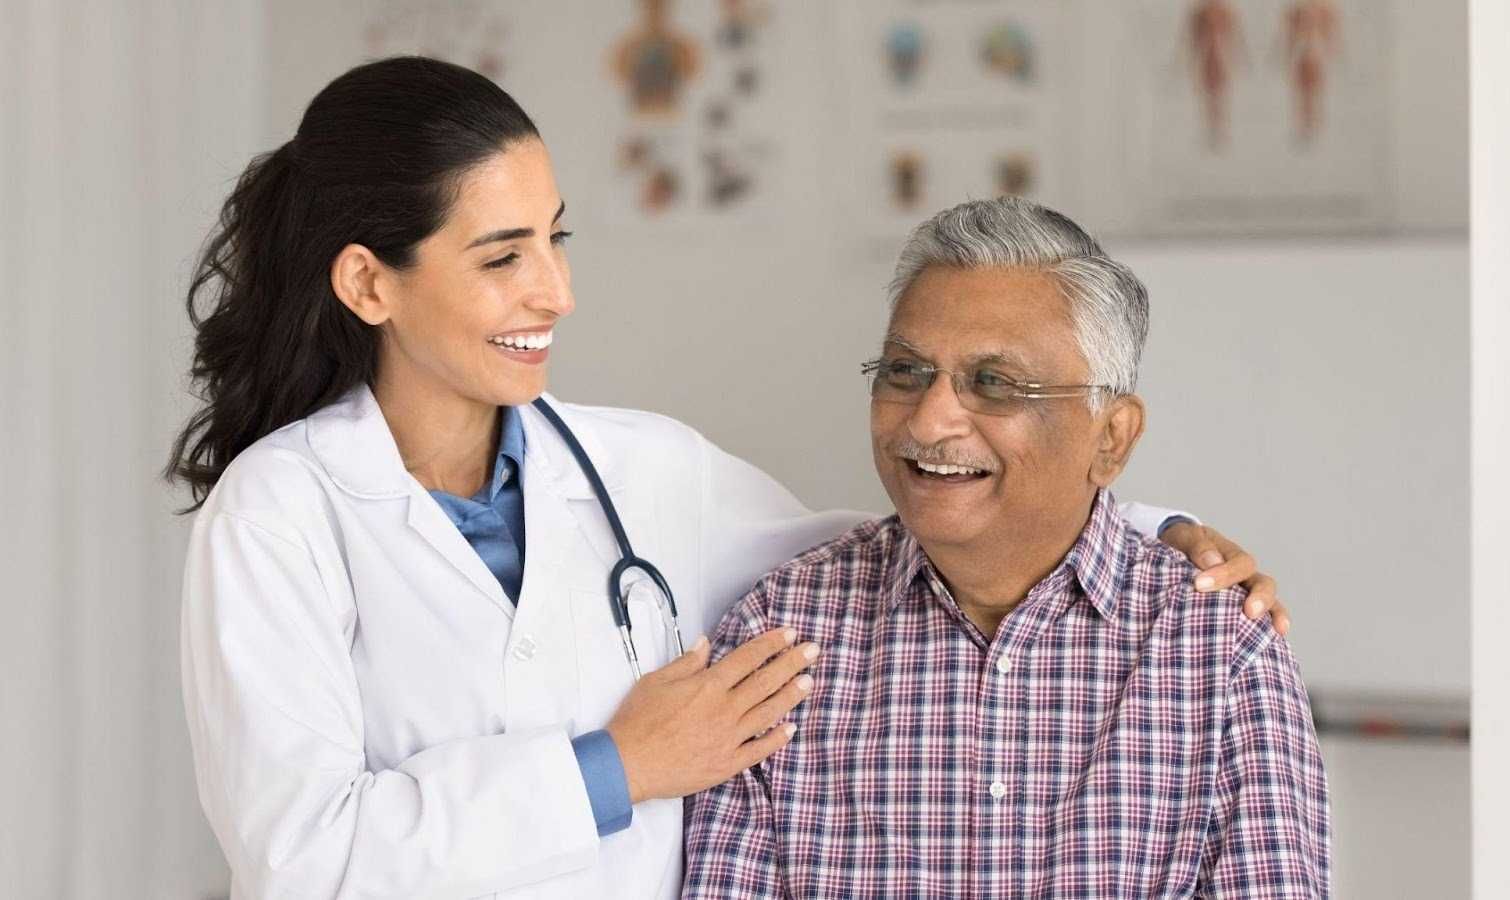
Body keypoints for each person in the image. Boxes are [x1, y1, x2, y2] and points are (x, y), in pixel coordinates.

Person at [170, 58, 1283, 899]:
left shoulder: (642, 469)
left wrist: (1155, 530)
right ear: (369, 284)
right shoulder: (277, 515)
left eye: (557, 240)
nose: (555, 292)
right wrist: (619, 767)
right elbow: (301, 859)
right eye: (503, 256)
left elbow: (912, 529)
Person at [684, 198, 1329, 898]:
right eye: (905, 372)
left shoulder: (1220, 652)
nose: (930, 421)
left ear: (1111, 438)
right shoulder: (780, 636)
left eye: (994, 383)